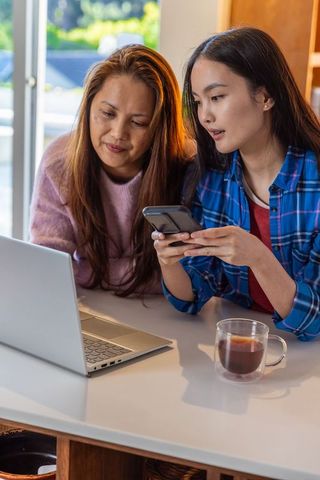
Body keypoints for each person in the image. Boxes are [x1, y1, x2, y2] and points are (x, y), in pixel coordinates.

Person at [152, 27, 320, 341]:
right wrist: (170, 261)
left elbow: (314, 319)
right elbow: (191, 297)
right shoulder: (209, 177)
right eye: (199, 102)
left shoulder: (315, 182)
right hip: (238, 346)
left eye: (216, 97)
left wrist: (257, 256)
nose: (205, 116)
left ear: (266, 96)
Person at [30, 44, 192, 296]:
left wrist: (89, 272)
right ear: (88, 108)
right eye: (107, 113)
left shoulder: (189, 167)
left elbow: (194, 277)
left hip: (168, 312)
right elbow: (47, 267)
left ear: (159, 129)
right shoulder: (59, 162)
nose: (118, 134)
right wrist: (141, 273)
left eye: (138, 122)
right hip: (88, 305)